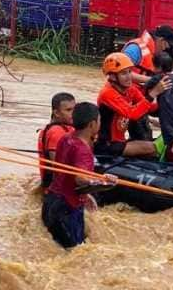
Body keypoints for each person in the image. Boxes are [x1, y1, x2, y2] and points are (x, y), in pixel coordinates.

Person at [42, 102, 117, 248]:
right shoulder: (83, 150)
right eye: (100, 121)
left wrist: (86, 195)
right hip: (67, 209)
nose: (100, 124)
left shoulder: (66, 138)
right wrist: (104, 182)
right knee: (75, 253)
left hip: (51, 200)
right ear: (92, 124)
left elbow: (66, 174)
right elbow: (80, 179)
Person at [95, 53, 170, 157]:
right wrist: (154, 93)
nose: (129, 77)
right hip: (108, 145)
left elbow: (149, 107)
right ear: (112, 76)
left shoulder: (130, 89)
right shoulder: (107, 93)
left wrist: (170, 108)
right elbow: (133, 113)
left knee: (154, 146)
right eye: (124, 73)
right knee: (153, 148)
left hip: (121, 141)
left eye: (130, 72)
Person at [148, 51, 173, 156]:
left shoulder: (158, 78)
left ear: (157, 67)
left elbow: (146, 87)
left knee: (168, 133)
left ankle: (170, 154)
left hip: (166, 110)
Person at [37, 92, 76, 189]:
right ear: (57, 113)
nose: (73, 113)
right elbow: (59, 168)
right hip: (56, 190)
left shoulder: (64, 127)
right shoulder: (57, 133)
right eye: (68, 110)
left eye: (74, 109)